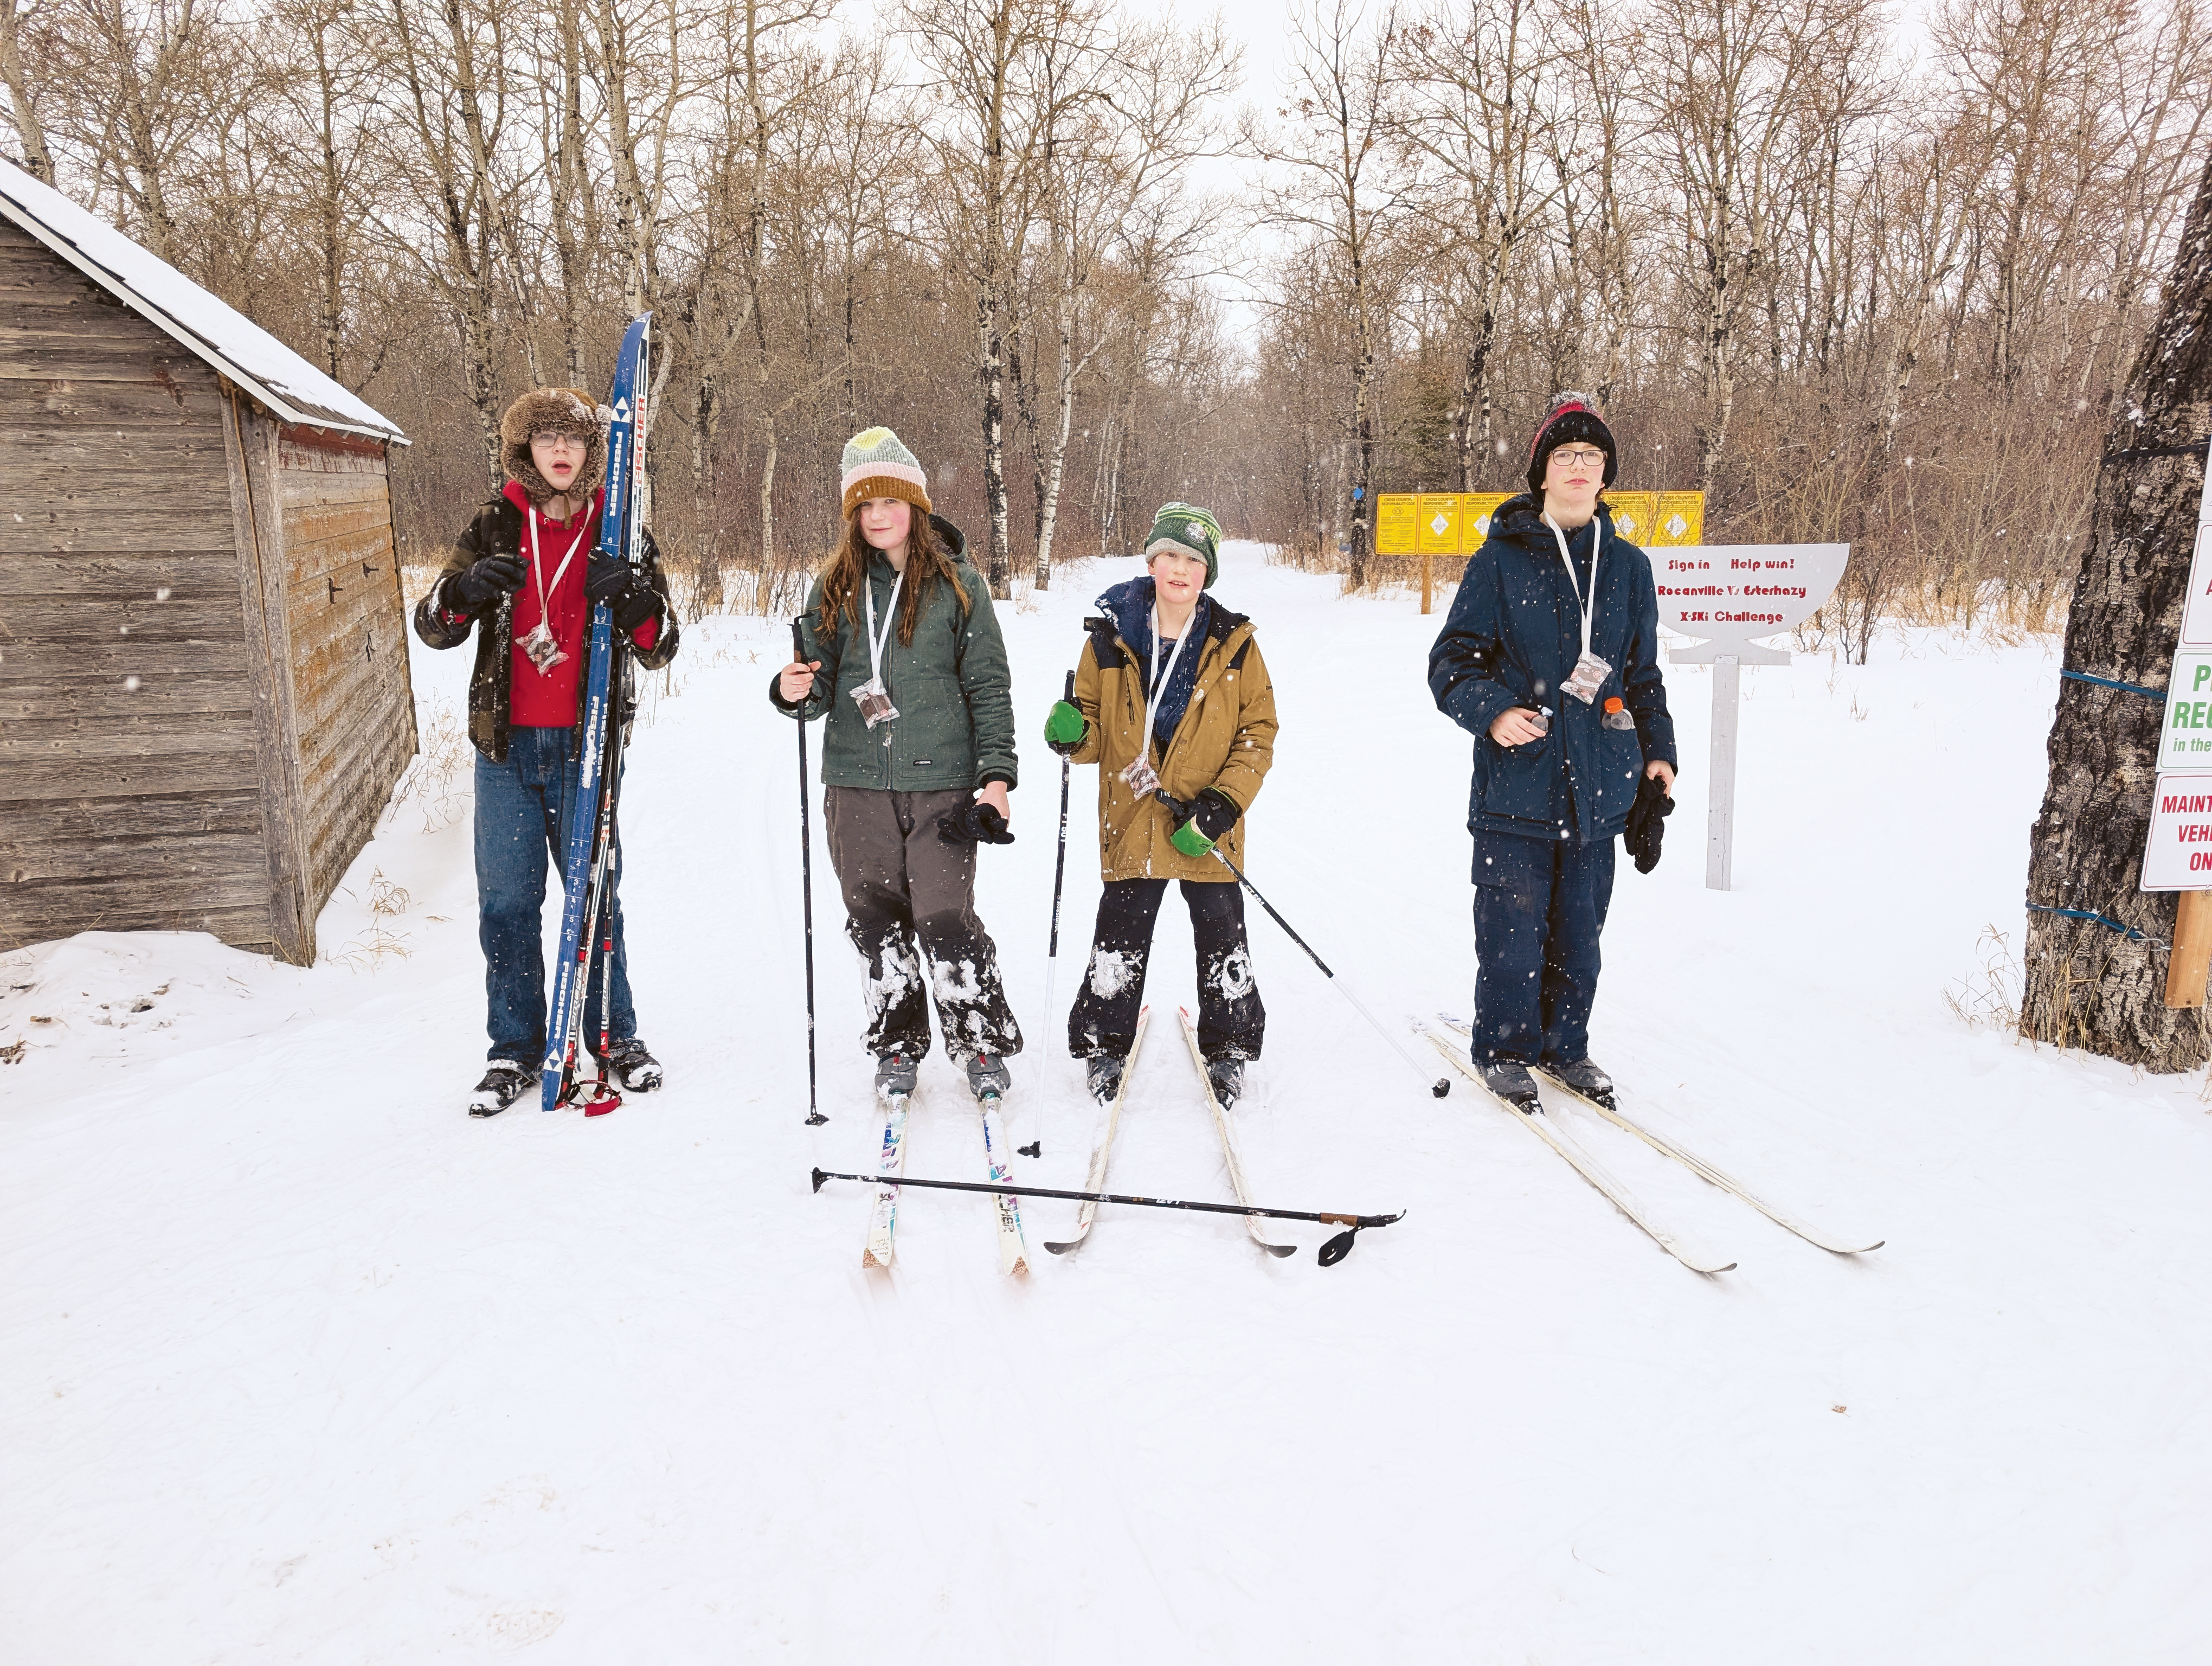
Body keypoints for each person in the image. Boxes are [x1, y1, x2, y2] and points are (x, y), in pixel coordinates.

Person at [413, 386, 681, 1117]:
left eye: (575, 438)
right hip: (504, 751)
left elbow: (663, 646)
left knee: (595, 899)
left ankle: (612, 1037)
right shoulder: (497, 521)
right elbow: (434, 627)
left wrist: (633, 600)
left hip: (586, 748)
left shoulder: (618, 527)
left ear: (594, 450)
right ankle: (515, 1049)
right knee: (506, 905)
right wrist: (461, 591)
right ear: (525, 450)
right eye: (546, 439)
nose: (561, 451)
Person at [1426, 393, 1676, 1111]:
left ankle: (1566, 1047)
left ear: (1605, 477)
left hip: (1603, 788)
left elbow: (1643, 675)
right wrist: (1493, 712)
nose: (1578, 467)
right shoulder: (1500, 562)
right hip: (1518, 786)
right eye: (1565, 455)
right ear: (1542, 471)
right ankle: (1506, 1049)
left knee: (1580, 934)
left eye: (1591, 457)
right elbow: (1452, 663)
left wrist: (1659, 755)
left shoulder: (1627, 568)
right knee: (1512, 931)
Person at [770, 427, 1023, 1099]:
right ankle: (897, 1044)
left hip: (941, 781)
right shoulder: (834, 585)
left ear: (914, 503)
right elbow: (818, 691)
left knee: (945, 914)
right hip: (855, 783)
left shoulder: (960, 585)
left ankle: (979, 1043)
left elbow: (989, 687)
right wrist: (792, 690)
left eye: (890, 501)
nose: (877, 515)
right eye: (864, 504)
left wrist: (996, 779)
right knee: (874, 915)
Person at [1045, 505, 1278, 1108]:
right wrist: (1072, 734)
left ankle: (1228, 1047)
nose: (1181, 568)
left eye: (1195, 560)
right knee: (1119, 931)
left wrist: (1223, 805)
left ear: (1208, 573)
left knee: (1223, 933)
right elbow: (1094, 732)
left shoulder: (1235, 645)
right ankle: (1104, 1040)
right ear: (1151, 561)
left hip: (1203, 821)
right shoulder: (1110, 638)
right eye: (1171, 555)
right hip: (1133, 816)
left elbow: (1258, 731)